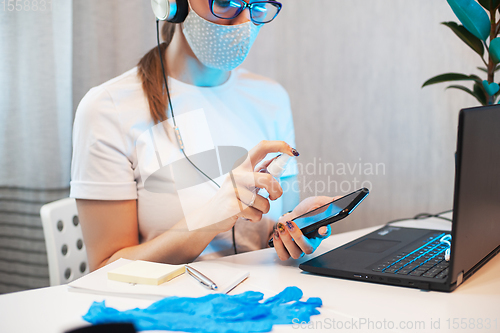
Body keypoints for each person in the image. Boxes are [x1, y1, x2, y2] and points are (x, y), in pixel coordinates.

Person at [71, 0, 333, 272]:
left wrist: (293, 230)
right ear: (173, 5)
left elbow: (269, 237)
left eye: (257, 7)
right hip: (164, 307)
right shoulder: (107, 108)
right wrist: (212, 217)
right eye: (224, 2)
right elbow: (105, 270)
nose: (244, 22)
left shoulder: (271, 98)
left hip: (258, 302)